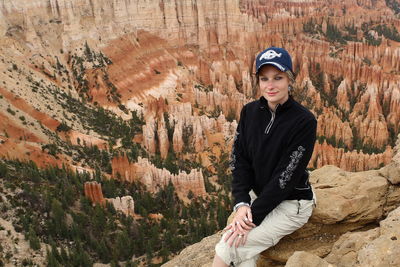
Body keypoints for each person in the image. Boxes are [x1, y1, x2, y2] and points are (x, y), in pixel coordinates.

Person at [212, 47, 317, 267]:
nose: (270, 85)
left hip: (291, 204)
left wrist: (252, 218)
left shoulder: (303, 121)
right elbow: (239, 159)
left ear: (289, 79)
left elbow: (285, 178)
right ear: (258, 82)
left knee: (229, 244)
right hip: (257, 197)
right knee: (245, 257)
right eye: (264, 78)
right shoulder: (250, 112)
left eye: (278, 78)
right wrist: (241, 203)